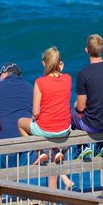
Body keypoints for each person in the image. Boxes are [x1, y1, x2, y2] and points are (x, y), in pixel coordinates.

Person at [18, 47, 73, 189]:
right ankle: (52, 151)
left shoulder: (40, 82)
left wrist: (35, 117)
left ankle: (39, 151)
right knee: (54, 165)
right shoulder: (68, 79)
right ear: (60, 64)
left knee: (20, 123)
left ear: (44, 63)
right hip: (64, 129)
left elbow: (36, 112)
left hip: (46, 129)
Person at [72, 34, 103, 159]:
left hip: (93, 126)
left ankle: (82, 147)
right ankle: (101, 144)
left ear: (86, 50)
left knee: (69, 113)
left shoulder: (83, 73)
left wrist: (76, 104)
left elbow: (81, 108)